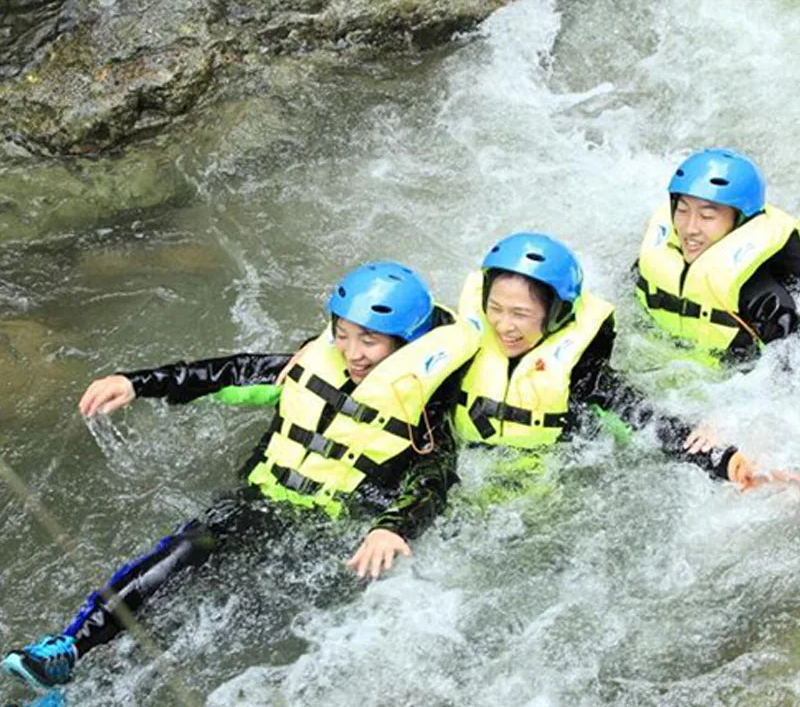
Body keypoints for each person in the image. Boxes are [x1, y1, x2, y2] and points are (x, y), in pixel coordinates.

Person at [2, 262, 479, 693]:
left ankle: (105, 692)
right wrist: (136, 383)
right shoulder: (305, 368)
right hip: (261, 503)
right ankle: (67, 650)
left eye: (369, 341)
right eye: (344, 334)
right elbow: (222, 373)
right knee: (182, 553)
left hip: (332, 534)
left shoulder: (425, 417)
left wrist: (391, 527)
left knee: (238, 623)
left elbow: (433, 482)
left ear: (405, 344)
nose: (352, 353)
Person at [454, 231, 758, 485]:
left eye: (520, 314)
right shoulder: (459, 348)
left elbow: (644, 418)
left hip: (542, 491)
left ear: (555, 315)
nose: (504, 326)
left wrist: (727, 462)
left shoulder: (580, 373)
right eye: (495, 308)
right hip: (463, 476)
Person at [635, 148, 800, 364]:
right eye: (682, 210)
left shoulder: (762, 295)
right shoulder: (660, 254)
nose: (690, 228)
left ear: (740, 221)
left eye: (707, 216)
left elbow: (785, 377)